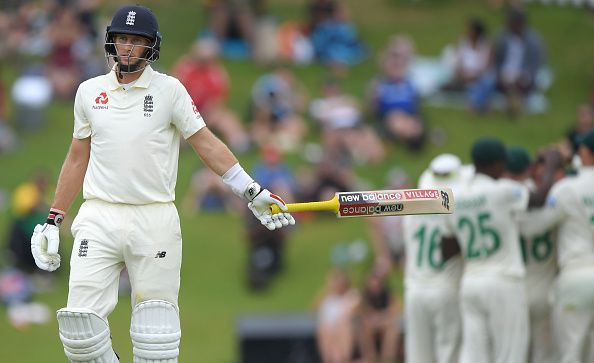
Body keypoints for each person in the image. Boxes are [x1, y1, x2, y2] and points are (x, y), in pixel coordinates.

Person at [28, 5, 295, 362]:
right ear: (111, 41)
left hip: (154, 219)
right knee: (79, 331)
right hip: (98, 216)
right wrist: (53, 219)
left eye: (135, 41)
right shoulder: (89, 92)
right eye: (121, 38)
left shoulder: (169, 91)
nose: (126, 47)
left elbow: (205, 142)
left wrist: (251, 190)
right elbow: (77, 157)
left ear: (151, 46)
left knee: (157, 339)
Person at [441, 137, 561, 363]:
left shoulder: (453, 198)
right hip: (503, 281)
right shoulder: (503, 191)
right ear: (495, 164)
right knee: (509, 354)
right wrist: (552, 165)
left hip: (472, 282)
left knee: (475, 355)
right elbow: (539, 199)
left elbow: (446, 250)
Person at [521, 129, 594, 363]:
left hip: (577, 274)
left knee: (570, 353)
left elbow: (532, 228)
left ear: (585, 153)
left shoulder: (568, 188)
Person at [402, 154, 468, 363]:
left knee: (417, 356)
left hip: (415, 290)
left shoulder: (410, 210)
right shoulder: (456, 209)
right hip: (445, 287)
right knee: (449, 354)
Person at [505, 146, 564, 363]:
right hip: (545, 286)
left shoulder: (501, 195)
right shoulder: (548, 196)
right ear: (529, 168)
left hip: (514, 288)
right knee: (544, 354)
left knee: (515, 353)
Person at [315, 269, 360, 363]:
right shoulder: (328, 297)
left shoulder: (352, 295)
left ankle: (343, 358)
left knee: (343, 327)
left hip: (344, 327)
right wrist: (327, 290)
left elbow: (353, 312)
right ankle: (330, 358)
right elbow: (314, 310)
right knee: (325, 329)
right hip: (329, 328)